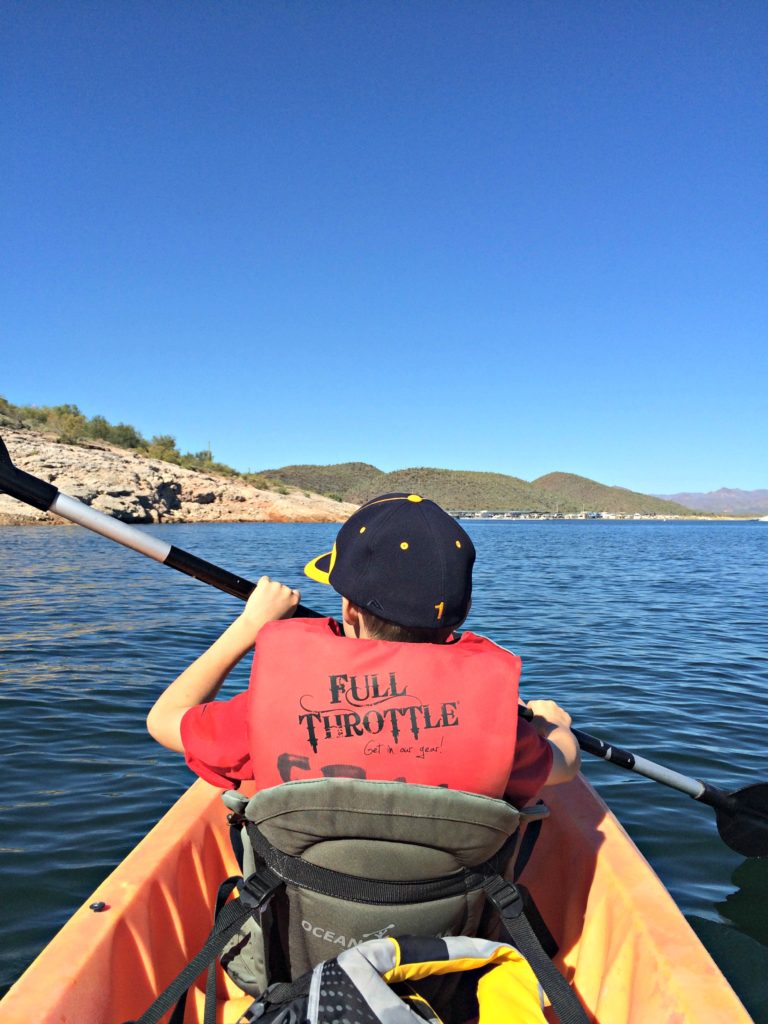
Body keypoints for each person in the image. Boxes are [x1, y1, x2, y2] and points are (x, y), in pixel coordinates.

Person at [147, 493, 580, 805]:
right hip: (450, 924)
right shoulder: (501, 727)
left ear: (349, 609)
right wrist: (550, 725)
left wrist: (249, 626)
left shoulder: (265, 714)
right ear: (458, 615)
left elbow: (163, 721)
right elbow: (564, 766)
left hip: (304, 920)